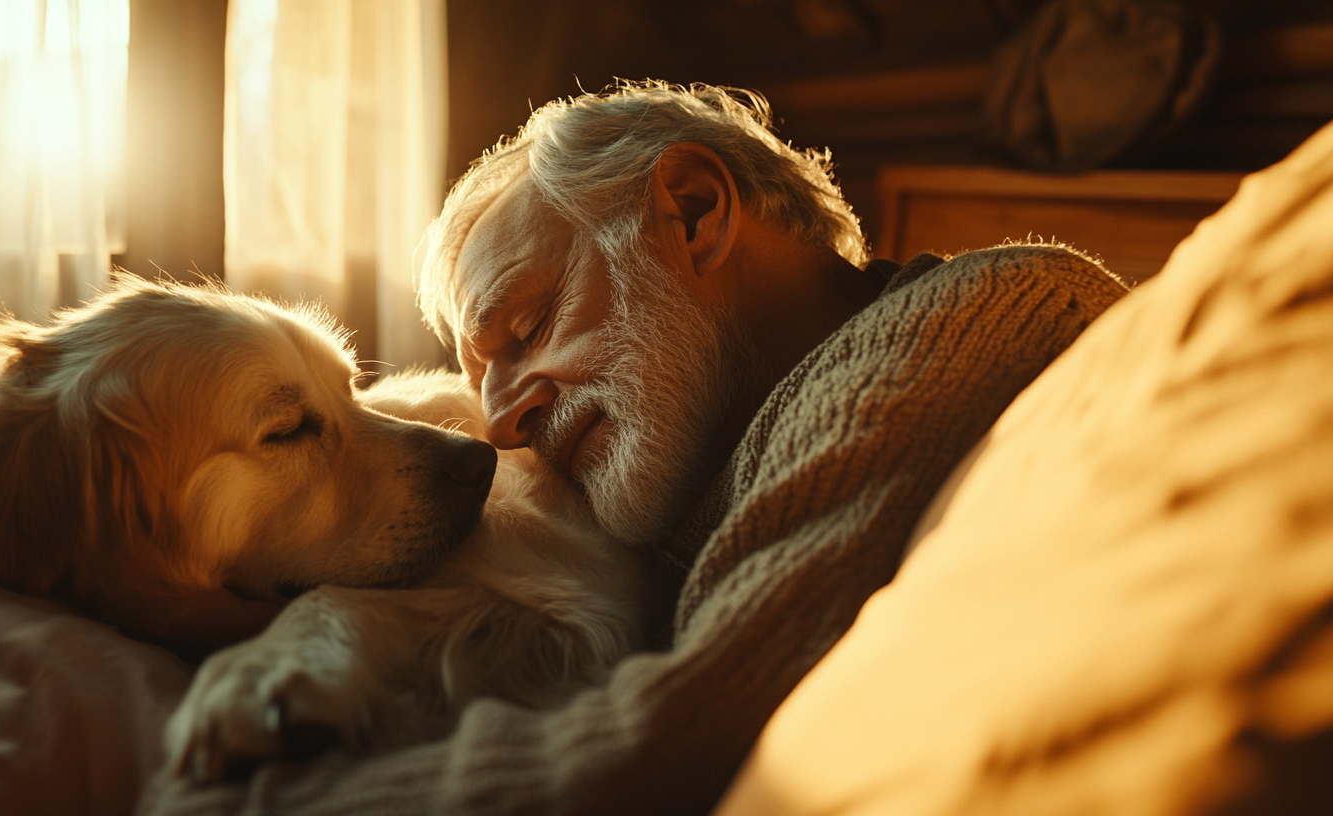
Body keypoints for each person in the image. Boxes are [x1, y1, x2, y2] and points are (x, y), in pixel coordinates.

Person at [142, 80, 1127, 816]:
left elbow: (674, 742)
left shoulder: (985, 311)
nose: (497, 425)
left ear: (694, 212)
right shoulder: (705, 473)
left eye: (525, 329)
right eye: (480, 371)